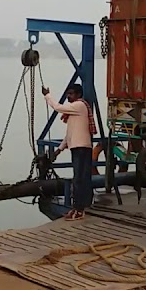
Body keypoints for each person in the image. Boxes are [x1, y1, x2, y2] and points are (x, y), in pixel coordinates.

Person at [43, 83, 95, 220]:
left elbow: (58, 107)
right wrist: (58, 150)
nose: (68, 96)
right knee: (78, 179)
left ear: (78, 95)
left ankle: (79, 209)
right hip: (77, 147)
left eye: (71, 94)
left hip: (81, 148)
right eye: (67, 93)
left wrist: (47, 95)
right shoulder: (74, 112)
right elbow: (69, 135)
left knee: (79, 179)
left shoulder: (79, 106)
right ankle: (77, 208)